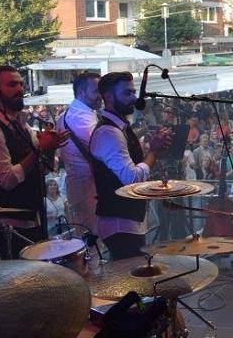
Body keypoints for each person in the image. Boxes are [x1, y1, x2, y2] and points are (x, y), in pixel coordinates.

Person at [0, 65, 67, 259]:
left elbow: (42, 169)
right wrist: (40, 149)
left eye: (20, 84)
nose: (20, 89)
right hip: (11, 229)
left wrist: (51, 147)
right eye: (12, 84)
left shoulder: (23, 126)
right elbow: (7, 180)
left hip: (35, 219)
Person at [90, 72, 171, 260]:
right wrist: (153, 151)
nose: (134, 98)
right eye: (127, 93)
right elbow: (132, 179)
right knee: (131, 273)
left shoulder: (119, 128)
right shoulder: (109, 133)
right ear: (109, 97)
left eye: (134, 92)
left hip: (127, 220)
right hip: (120, 223)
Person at [55, 71, 102, 235]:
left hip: (78, 185)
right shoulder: (81, 119)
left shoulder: (65, 115)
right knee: (93, 238)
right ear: (81, 92)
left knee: (86, 235)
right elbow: (102, 150)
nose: (101, 95)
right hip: (87, 188)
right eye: (96, 91)